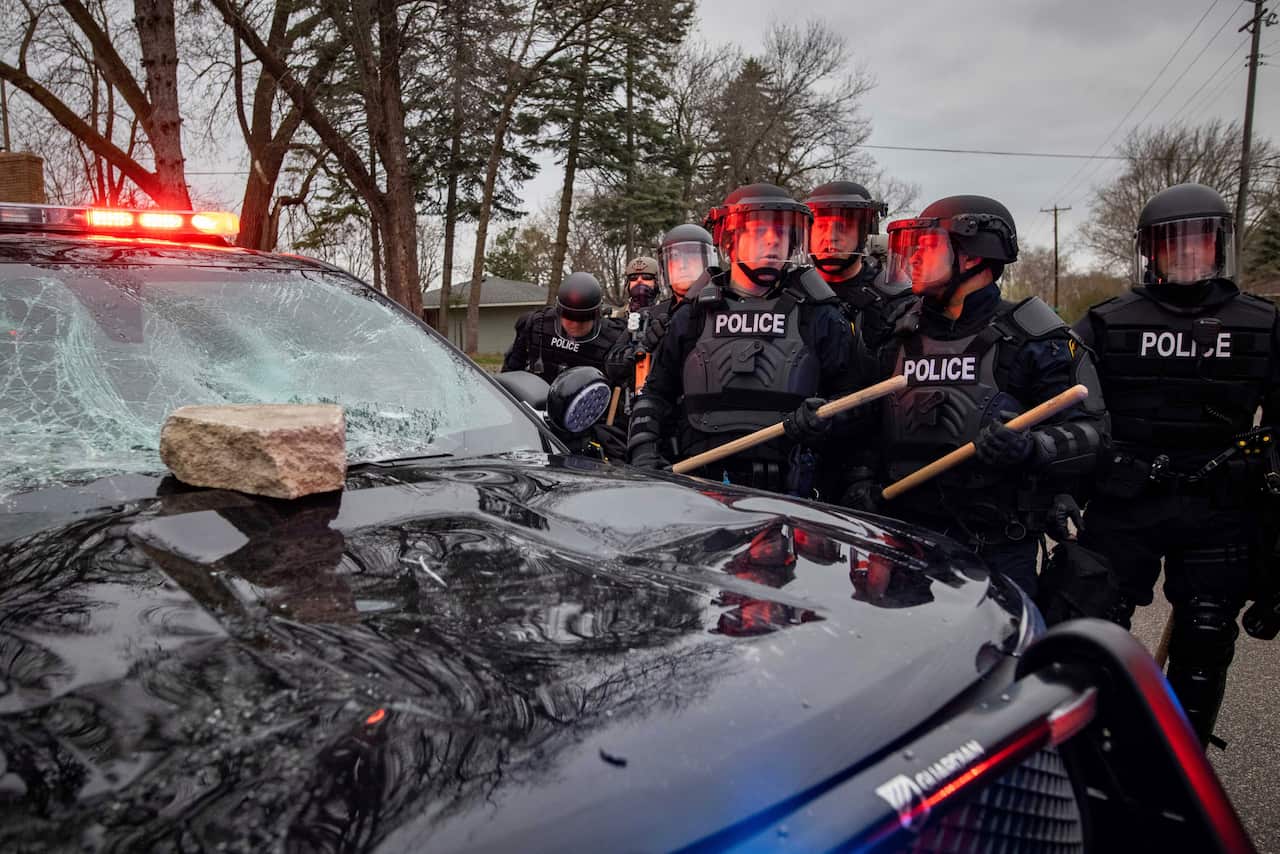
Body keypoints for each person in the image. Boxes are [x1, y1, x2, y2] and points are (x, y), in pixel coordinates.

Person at [1075, 182, 1280, 747]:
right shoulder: (1107, 322)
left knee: (1207, 636)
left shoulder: (1263, 324)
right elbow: (1072, 411)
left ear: (1219, 246)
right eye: (1173, 242)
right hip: (1127, 499)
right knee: (1096, 628)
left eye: (1200, 240)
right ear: (1151, 251)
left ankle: (1180, 758)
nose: (1187, 252)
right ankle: (1096, 753)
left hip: (1220, 505)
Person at [844, 195, 1107, 598]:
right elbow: (865, 423)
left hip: (995, 545)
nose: (914, 259)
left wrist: (1031, 447)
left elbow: (1093, 434)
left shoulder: (1034, 340)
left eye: (928, 247)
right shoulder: (896, 335)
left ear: (972, 256)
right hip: (905, 536)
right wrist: (860, 477)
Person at [626, 184, 855, 497]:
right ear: (730, 241)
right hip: (700, 493)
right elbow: (654, 396)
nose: (773, 241)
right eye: (760, 232)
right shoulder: (691, 316)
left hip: (791, 498)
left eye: (781, 233)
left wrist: (826, 419)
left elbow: (859, 405)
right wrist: (644, 453)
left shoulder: (819, 315)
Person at [605, 225, 718, 399]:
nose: (683, 267)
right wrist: (640, 349)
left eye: (691, 259)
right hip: (658, 403)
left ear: (708, 262)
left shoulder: (725, 310)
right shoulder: (649, 316)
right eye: (676, 261)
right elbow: (612, 364)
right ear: (666, 269)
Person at [804, 181, 914, 352]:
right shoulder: (793, 293)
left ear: (864, 232)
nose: (831, 237)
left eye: (843, 227)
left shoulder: (895, 301)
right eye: (822, 226)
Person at [501, 271, 625, 385]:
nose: (575, 325)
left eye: (584, 318)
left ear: (597, 314)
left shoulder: (615, 340)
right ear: (558, 310)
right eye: (569, 316)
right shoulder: (535, 325)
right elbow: (510, 373)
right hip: (534, 398)